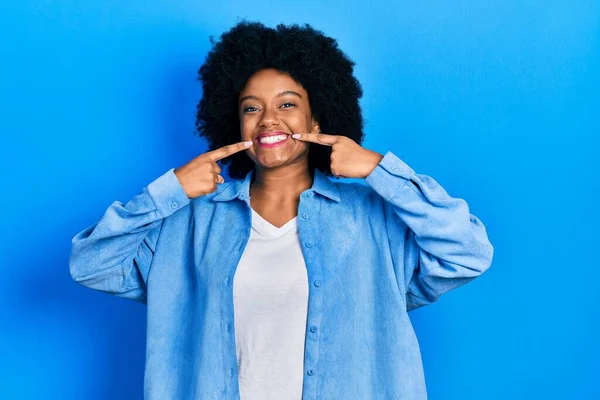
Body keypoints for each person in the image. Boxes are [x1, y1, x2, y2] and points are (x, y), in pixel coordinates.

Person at [69, 20, 494, 400]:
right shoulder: (190, 223)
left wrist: (378, 169)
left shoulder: (373, 220)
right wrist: (170, 190)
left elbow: (467, 252)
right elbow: (91, 264)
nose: (268, 119)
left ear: (316, 121)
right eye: (252, 108)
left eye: (287, 104)